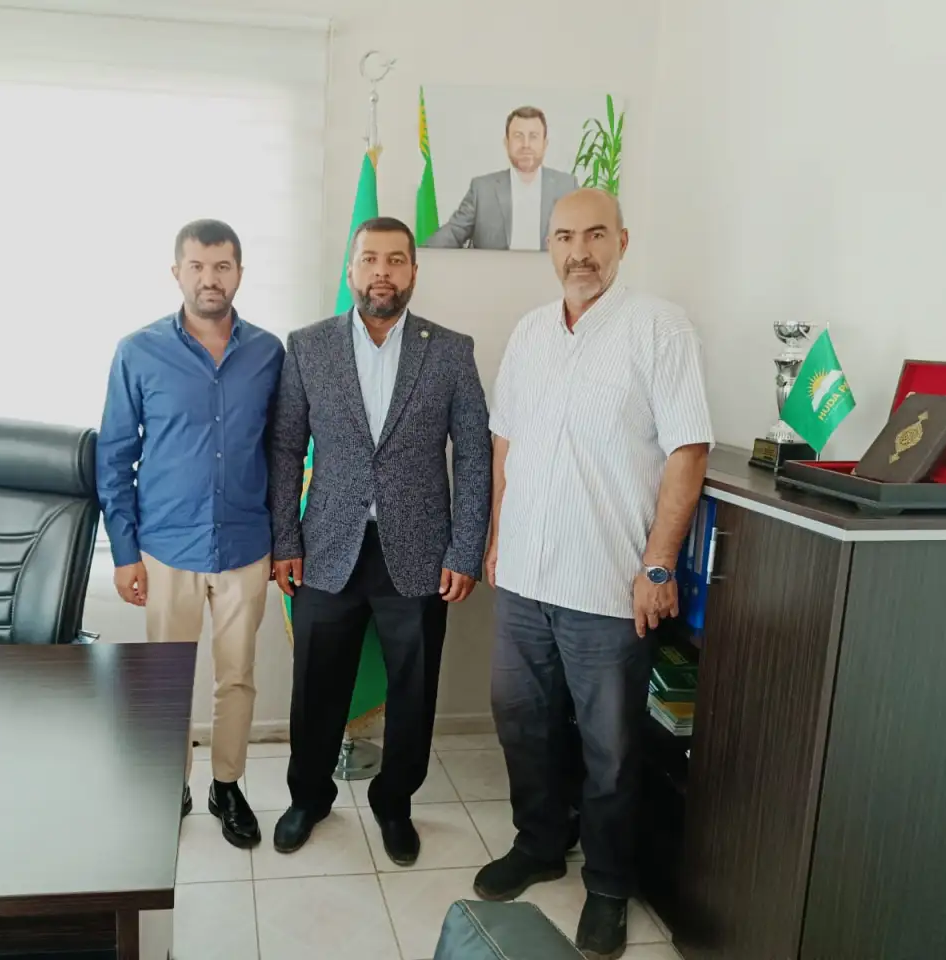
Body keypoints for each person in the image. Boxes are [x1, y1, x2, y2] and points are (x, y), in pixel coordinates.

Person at [476, 188, 712, 960]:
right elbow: (506, 444)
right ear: (550, 246)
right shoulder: (530, 332)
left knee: (611, 748)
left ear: (622, 241)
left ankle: (608, 885)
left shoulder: (659, 328)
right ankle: (540, 843)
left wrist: (659, 564)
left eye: (595, 235)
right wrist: (498, 538)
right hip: (524, 576)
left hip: (608, 584)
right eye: (564, 237)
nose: (579, 252)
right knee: (521, 721)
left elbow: (688, 450)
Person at [268, 217, 492, 865]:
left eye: (396, 260)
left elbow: (474, 454)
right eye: (370, 259)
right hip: (325, 549)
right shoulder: (308, 346)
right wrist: (284, 537)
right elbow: (285, 448)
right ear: (351, 270)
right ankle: (309, 797)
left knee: (414, 692)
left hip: (419, 555)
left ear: (414, 271)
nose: (382, 273)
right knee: (316, 687)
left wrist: (465, 548)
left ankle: (395, 803)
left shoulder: (450, 351)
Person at [96, 218, 283, 850]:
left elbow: (284, 452)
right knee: (166, 680)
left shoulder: (268, 353)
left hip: (245, 546)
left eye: (222, 266)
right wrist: (125, 552)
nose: (210, 278)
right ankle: (168, 784)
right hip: (166, 548)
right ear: (177, 272)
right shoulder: (137, 351)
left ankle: (226, 786)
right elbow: (114, 457)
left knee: (237, 676)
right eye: (198, 266)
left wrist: (284, 541)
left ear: (239, 273)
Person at [425, 106, 579, 252]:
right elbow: (453, 232)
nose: (526, 145)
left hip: (548, 271)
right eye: (518, 136)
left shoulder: (567, 187)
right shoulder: (482, 189)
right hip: (492, 271)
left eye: (533, 137)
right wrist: (421, 255)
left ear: (545, 144)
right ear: (506, 143)